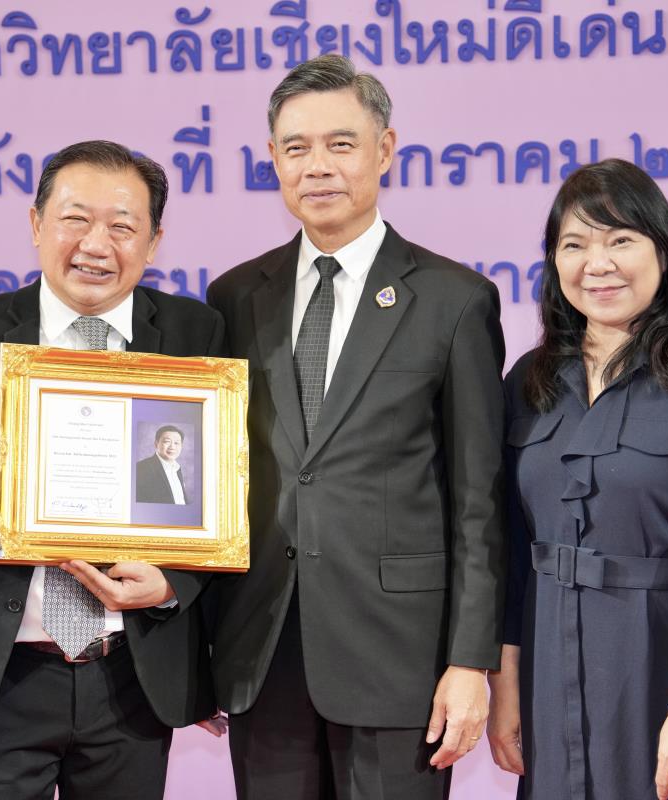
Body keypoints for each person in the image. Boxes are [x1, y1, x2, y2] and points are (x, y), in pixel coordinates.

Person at [206, 54, 507, 799]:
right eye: (296, 147)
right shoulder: (235, 296)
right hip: (263, 650)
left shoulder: (454, 300)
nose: (318, 166)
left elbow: (479, 502)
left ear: (385, 149)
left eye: (340, 144)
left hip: (400, 660)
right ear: (273, 159)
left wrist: (471, 661)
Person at [0, 140, 224, 799]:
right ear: (37, 223)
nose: (97, 244)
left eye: (122, 226)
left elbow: (225, 497)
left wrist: (172, 583)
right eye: (75, 219)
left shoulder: (195, 335)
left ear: (154, 242)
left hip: (131, 677)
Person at [486, 159, 668, 800]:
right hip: (546, 664)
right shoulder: (527, 381)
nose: (598, 263)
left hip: (663, 664)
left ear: (662, 251)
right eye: (574, 245)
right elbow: (508, 548)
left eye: (620, 240)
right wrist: (505, 683)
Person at [135, 425, 189, 504]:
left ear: (181, 446)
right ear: (156, 444)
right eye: (167, 442)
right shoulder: (141, 468)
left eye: (176, 443)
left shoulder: (177, 468)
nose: (172, 447)